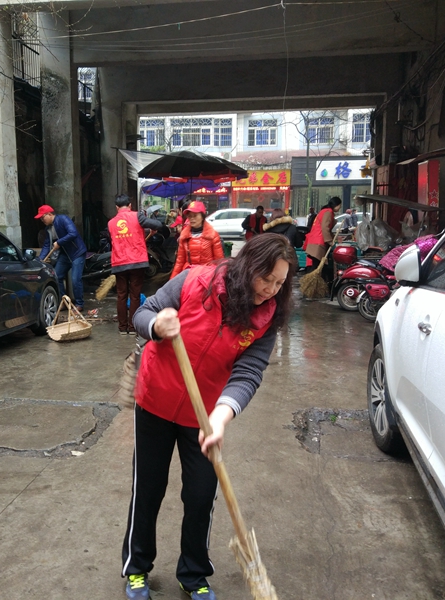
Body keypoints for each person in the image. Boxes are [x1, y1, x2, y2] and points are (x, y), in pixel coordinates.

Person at [121, 234, 298, 600]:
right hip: (156, 398)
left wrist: (222, 415)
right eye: (266, 278)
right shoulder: (194, 281)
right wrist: (157, 325)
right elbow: (143, 313)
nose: (271, 290)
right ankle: (136, 568)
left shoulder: (267, 318)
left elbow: (249, 371)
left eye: (280, 283)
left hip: (205, 415)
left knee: (202, 495)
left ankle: (193, 574)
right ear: (247, 267)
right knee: (148, 488)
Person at [108, 194, 163, 335]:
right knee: (135, 295)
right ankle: (132, 328)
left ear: (116, 207)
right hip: (137, 262)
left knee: (121, 295)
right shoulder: (138, 216)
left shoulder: (111, 223)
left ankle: (122, 328)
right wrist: (152, 229)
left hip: (119, 263)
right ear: (130, 205)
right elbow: (158, 225)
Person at [36, 204, 87, 310]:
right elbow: (46, 245)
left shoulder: (63, 219)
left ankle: (79, 304)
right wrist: (41, 259)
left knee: (75, 279)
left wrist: (59, 242)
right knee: (57, 276)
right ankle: (64, 301)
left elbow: (73, 233)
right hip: (65, 254)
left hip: (77, 252)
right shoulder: (48, 229)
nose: (42, 220)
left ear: (49, 214)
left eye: (42, 217)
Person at [170, 201, 224, 279]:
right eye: (189, 216)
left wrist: (219, 280)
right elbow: (180, 262)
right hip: (189, 276)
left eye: (195, 215)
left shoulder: (213, 235)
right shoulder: (184, 236)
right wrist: (173, 281)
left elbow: (219, 262)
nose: (192, 219)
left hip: (206, 276)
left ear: (202, 216)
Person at [304, 196, 342, 267]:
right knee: (317, 266)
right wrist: (329, 241)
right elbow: (325, 227)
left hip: (314, 240)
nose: (340, 208)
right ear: (336, 205)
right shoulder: (328, 212)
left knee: (316, 265)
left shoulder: (324, 211)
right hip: (318, 241)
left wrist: (335, 238)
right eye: (340, 205)